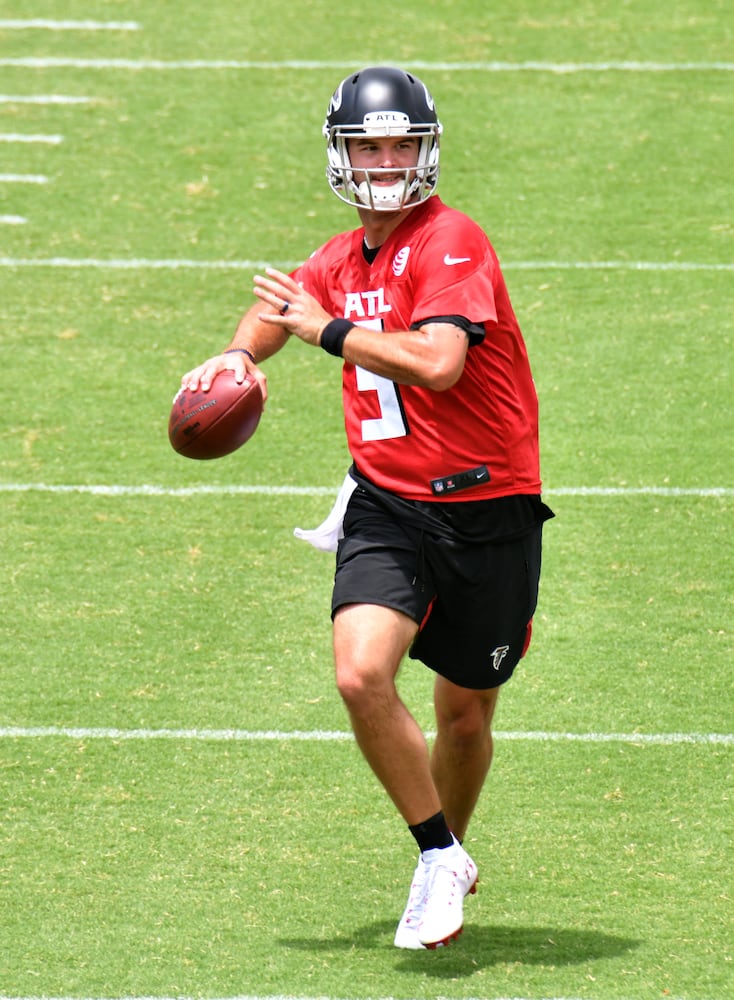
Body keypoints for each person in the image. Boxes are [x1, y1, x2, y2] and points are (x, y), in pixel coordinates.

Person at [181, 65, 553, 950]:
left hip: (488, 505)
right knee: (359, 675)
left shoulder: (452, 240)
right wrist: (240, 356)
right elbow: (281, 306)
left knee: (465, 713)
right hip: (387, 502)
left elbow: (439, 365)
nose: (385, 162)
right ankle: (438, 857)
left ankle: (446, 853)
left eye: (399, 145)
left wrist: (328, 331)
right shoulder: (341, 257)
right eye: (368, 146)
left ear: (426, 152)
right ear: (341, 154)